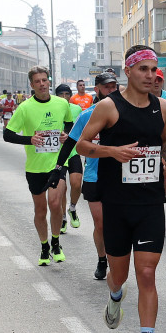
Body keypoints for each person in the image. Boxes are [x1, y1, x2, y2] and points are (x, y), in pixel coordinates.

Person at [76, 45, 166, 333]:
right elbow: (81, 144)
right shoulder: (108, 107)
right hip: (116, 204)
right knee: (118, 275)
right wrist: (111, 151)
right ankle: (116, 295)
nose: (151, 75)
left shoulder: (162, 107)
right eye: (144, 69)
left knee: (147, 274)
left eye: (154, 70)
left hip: (149, 203)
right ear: (129, 71)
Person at [3, 66, 75, 265]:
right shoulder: (25, 108)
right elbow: (7, 135)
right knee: (40, 210)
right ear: (32, 85)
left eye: (45, 80)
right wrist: (30, 140)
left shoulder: (62, 103)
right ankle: (44, 246)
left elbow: (69, 124)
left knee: (55, 203)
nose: (42, 84)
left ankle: (56, 242)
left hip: (57, 163)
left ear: (49, 81)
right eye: (38, 81)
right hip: (35, 167)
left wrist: (65, 135)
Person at [54, 72, 118, 280]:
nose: (111, 90)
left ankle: (117, 261)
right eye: (107, 87)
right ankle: (102, 259)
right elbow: (70, 144)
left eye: (114, 86)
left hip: (120, 177)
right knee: (100, 224)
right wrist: (57, 169)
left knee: (117, 224)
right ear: (97, 90)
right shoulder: (86, 115)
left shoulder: (123, 114)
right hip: (94, 176)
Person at [54, 84, 83, 235]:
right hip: (58, 154)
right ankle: (63, 218)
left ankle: (72, 208)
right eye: (61, 94)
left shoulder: (77, 109)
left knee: (76, 184)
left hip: (73, 151)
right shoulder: (52, 108)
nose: (64, 96)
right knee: (61, 188)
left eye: (67, 94)